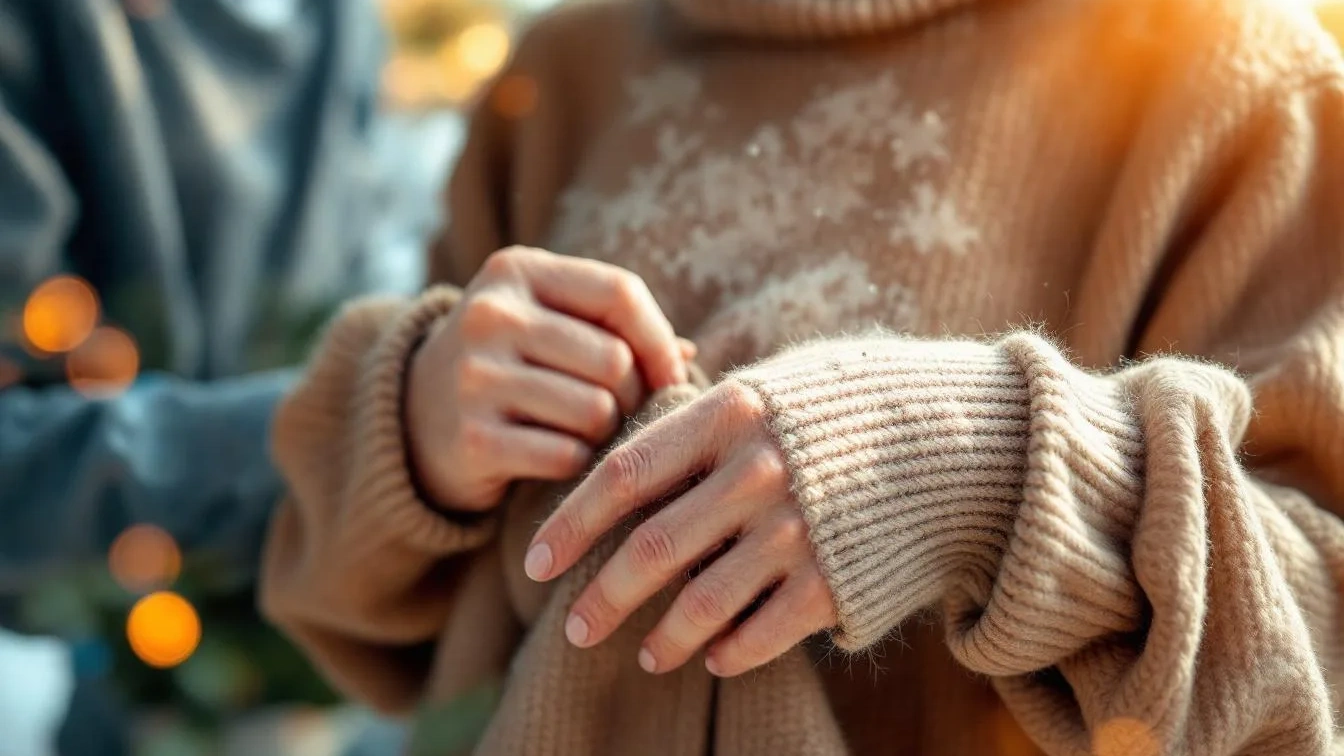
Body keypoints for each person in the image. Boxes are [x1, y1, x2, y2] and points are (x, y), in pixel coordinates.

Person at [259, 0, 1344, 753]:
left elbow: (1322, 643)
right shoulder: (564, 69)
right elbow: (362, 629)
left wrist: (993, 469)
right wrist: (414, 430)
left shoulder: (1231, 75)